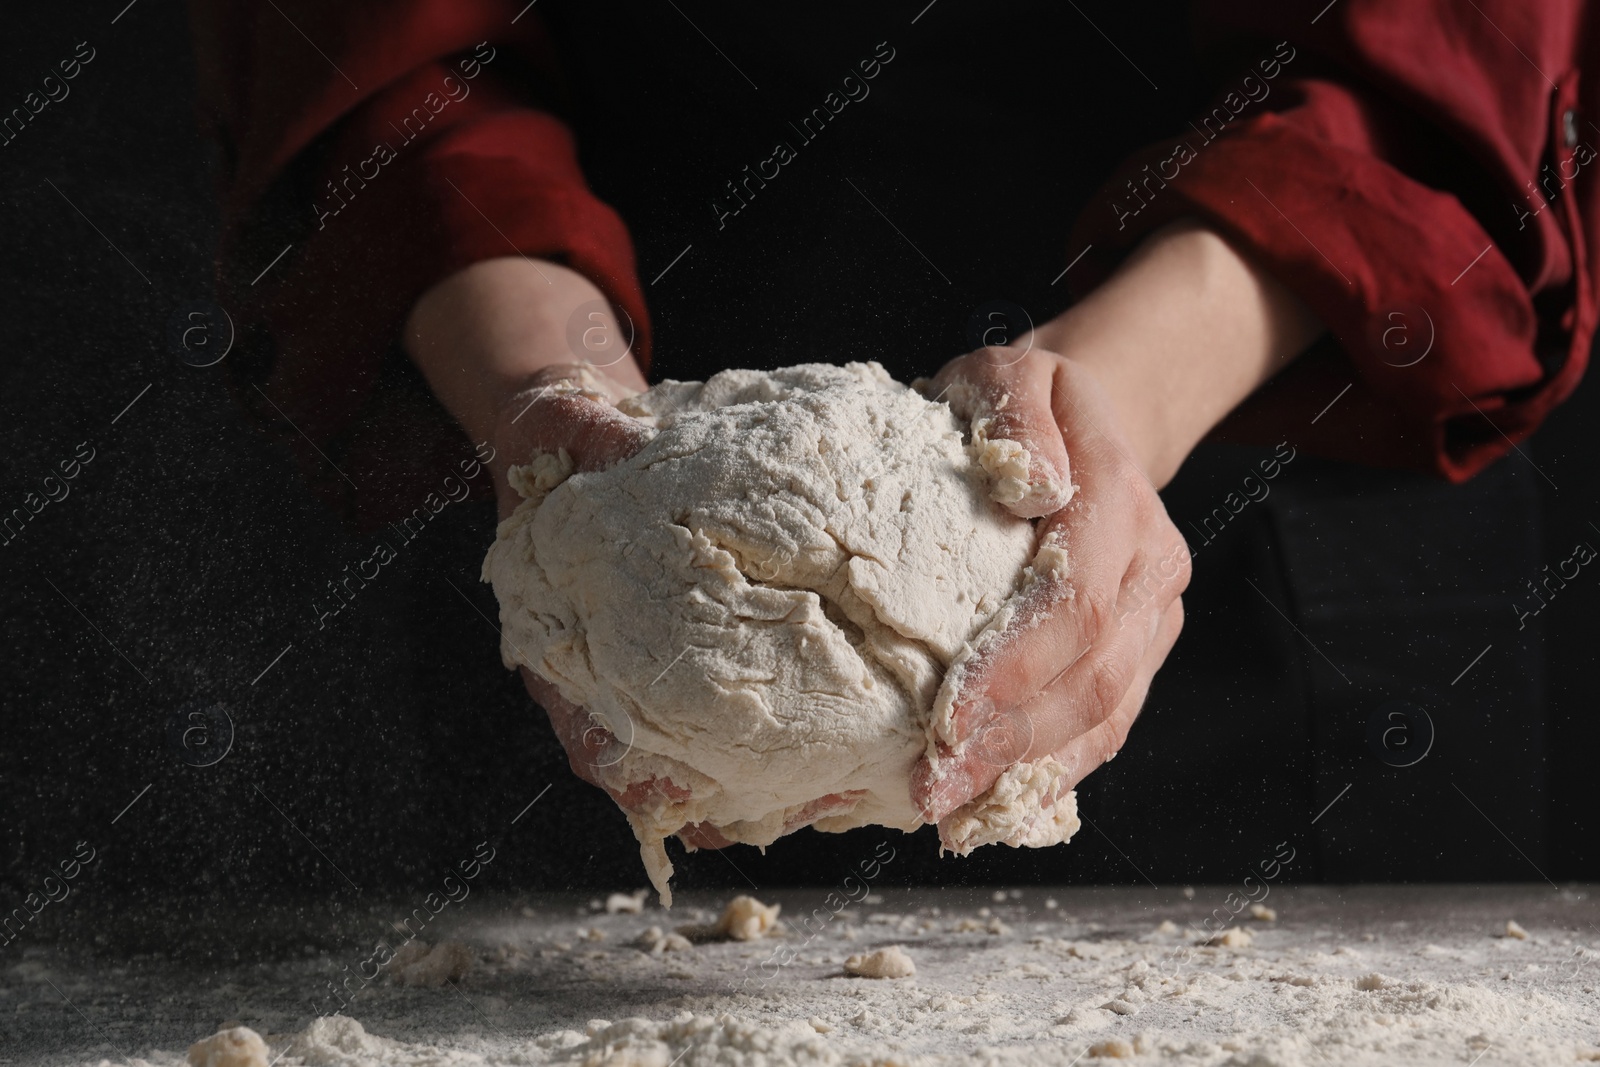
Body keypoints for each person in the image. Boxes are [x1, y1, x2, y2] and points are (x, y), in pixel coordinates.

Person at [190, 1, 1594, 869]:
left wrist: (1103, 410)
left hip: (1279, 482)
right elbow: (381, 50)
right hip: (608, 559)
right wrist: (551, 417)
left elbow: (1441, 71)